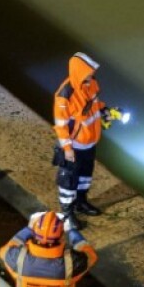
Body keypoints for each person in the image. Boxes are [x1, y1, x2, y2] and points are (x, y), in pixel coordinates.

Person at [52, 52, 121, 229]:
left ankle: (81, 202)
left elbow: (94, 105)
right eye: (88, 73)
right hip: (74, 146)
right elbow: (61, 125)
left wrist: (106, 110)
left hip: (89, 142)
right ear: (79, 72)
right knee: (68, 180)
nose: (91, 76)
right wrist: (67, 149)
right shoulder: (65, 95)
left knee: (85, 176)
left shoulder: (90, 84)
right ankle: (67, 214)